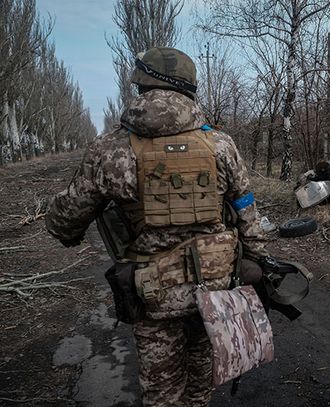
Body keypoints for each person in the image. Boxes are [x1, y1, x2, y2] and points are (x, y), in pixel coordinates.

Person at [46, 47, 267, 407]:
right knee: (200, 385)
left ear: (140, 86)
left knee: (163, 394)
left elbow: (65, 221)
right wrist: (256, 259)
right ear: (190, 88)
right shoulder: (221, 145)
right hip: (214, 292)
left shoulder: (110, 149)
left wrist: (60, 222)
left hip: (154, 297)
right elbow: (246, 210)